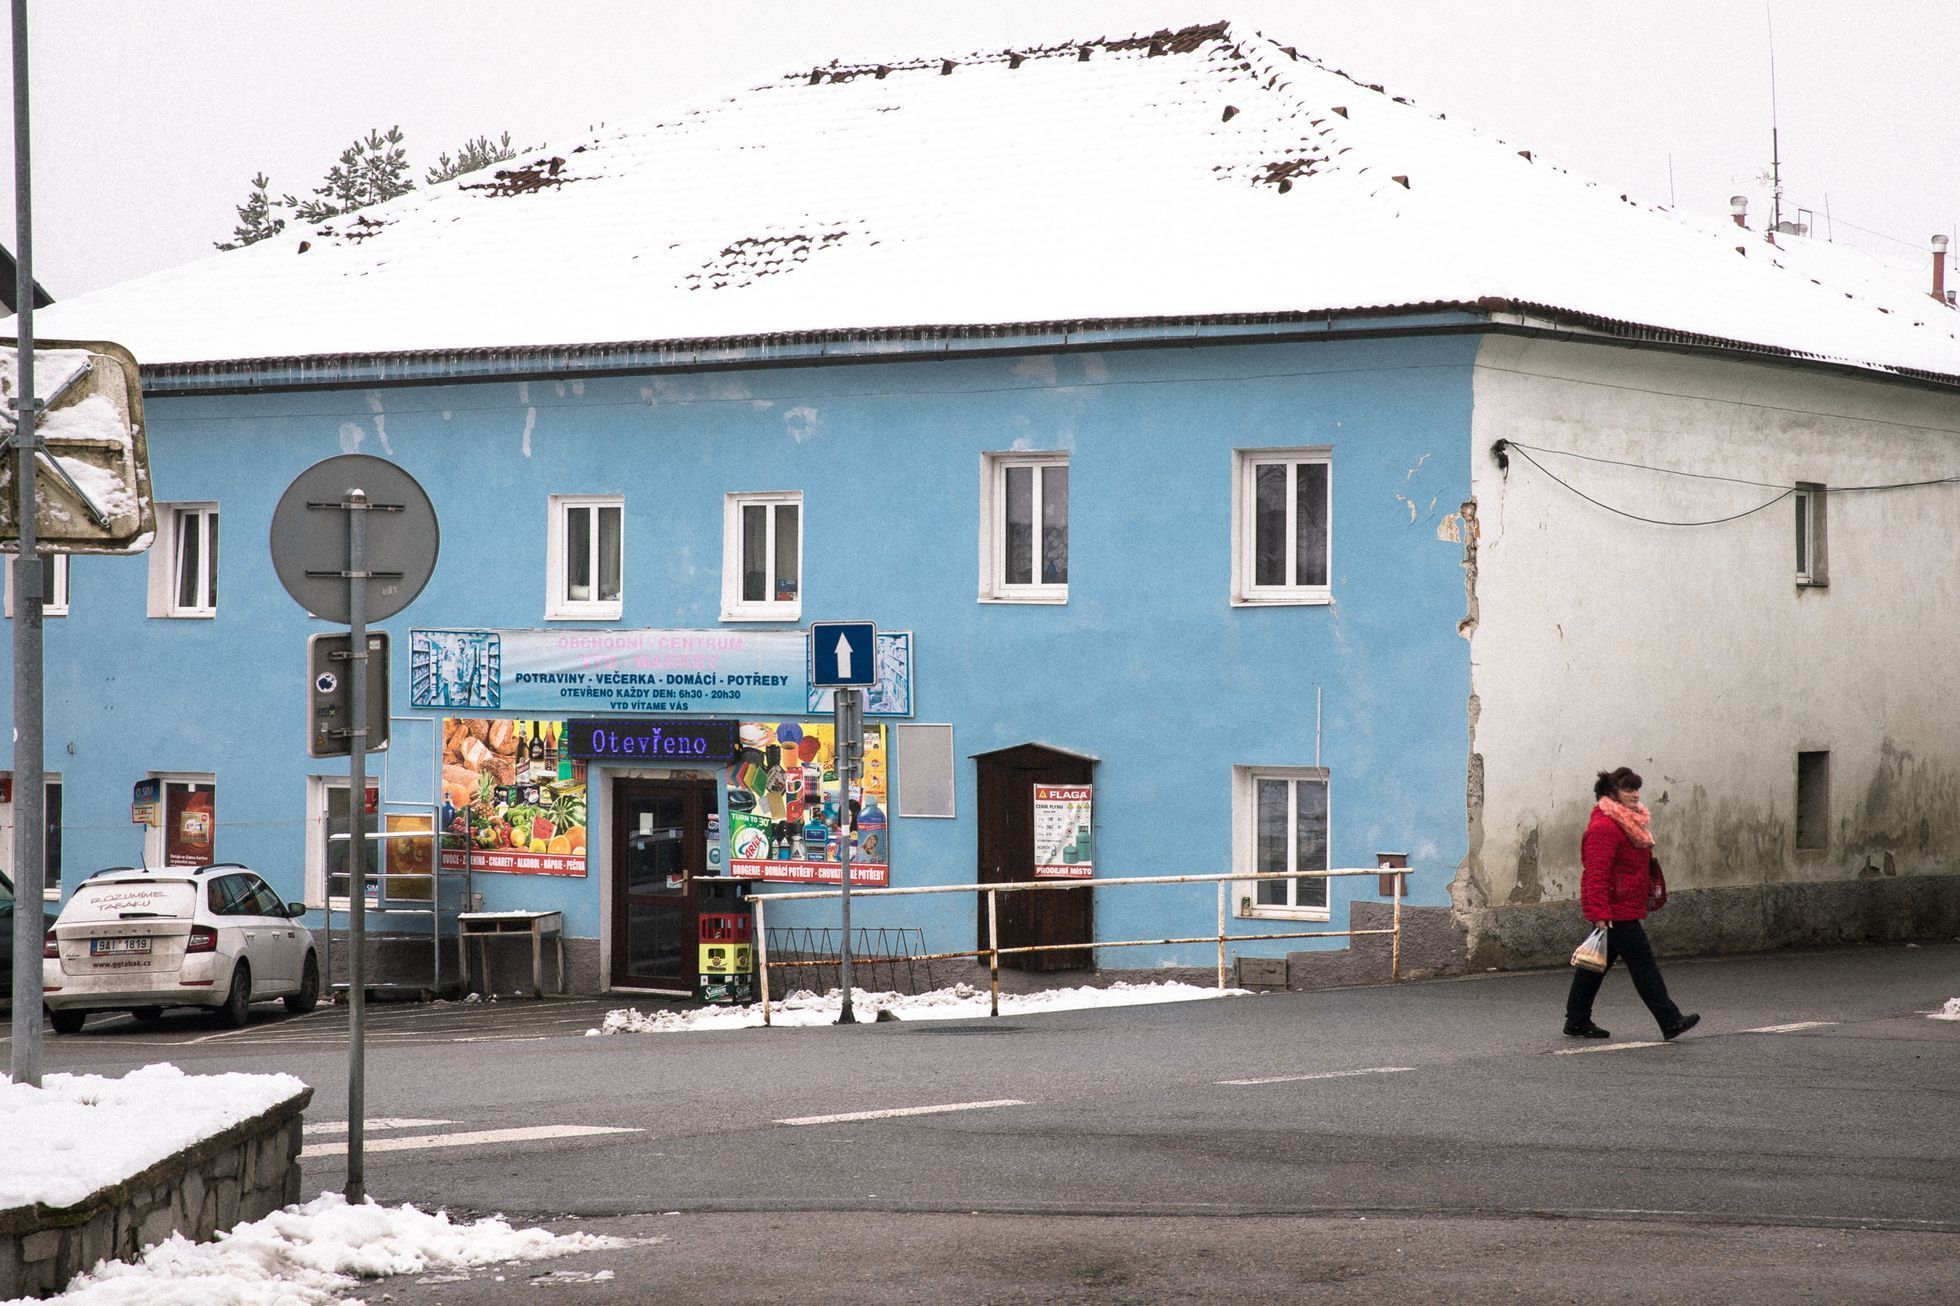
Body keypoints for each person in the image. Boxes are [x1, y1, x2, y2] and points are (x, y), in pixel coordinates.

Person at [1564, 766, 1700, 1041]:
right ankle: (1670, 1019)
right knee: (1643, 964)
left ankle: (1577, 1020)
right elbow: (1596, 874)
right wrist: (1600, 913)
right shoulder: (1604, 828)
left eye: (1636, 788)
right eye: (1628, 789)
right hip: (1615, 912)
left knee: (1593, 966)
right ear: (1611, 794)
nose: (1635, 794)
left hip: (1621, 907)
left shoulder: (1628, 825)